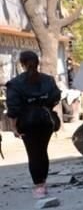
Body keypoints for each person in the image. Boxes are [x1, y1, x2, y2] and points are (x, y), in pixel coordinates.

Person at [4, 50, 62, 198]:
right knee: (42, 151)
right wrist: (45, 106)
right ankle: (43, 183)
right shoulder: (48, 80)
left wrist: (13, 127)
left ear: (22, 64)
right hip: (46, 121)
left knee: (33, 153)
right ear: (37, 63)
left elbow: (14, 108)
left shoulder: (15, 84)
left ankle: (39, 187)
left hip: (27, 123)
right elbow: (56, 97)